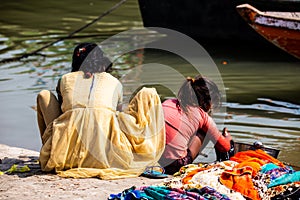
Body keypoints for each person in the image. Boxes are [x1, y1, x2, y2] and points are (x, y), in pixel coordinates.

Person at [36, 42, 165, 179]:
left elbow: (64, 112)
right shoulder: (115, 82)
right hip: (106, 156)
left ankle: (50, 150)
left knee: (44, 95)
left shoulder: (65, 79)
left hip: (66, 155)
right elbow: (115, 116)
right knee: (116, 113)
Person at [158, 75, 232, 174]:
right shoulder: (202, 115)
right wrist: (228, 138)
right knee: (204, 131)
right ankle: (186, 163)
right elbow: (224, 147)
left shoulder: (168, 102)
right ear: (209, 103)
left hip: (154, 160)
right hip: (175, 166)